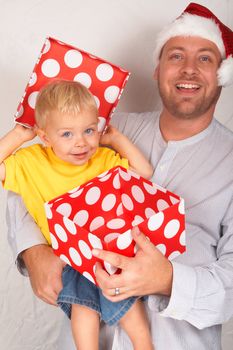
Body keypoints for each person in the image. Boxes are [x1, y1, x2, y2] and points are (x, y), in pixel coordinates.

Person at [6, 2, 233, 349]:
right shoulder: (103, 131)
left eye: (204, 57)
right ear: (157, 69)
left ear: (222, 73)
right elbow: (31, 178)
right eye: (175, 56)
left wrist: (168, 280)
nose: (188, 69)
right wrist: (34, 250)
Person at [1, 80, 154, 350]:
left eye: (89, 130)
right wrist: (19, 136)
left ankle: (145, 346)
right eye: (67, 134)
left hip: (109, 250)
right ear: (45, 137)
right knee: (83, 308)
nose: (81, 143)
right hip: (69, 256)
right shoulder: (31, 162)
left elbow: (145, 173)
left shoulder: (103, 159)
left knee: (128, 305)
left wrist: (115, 138)